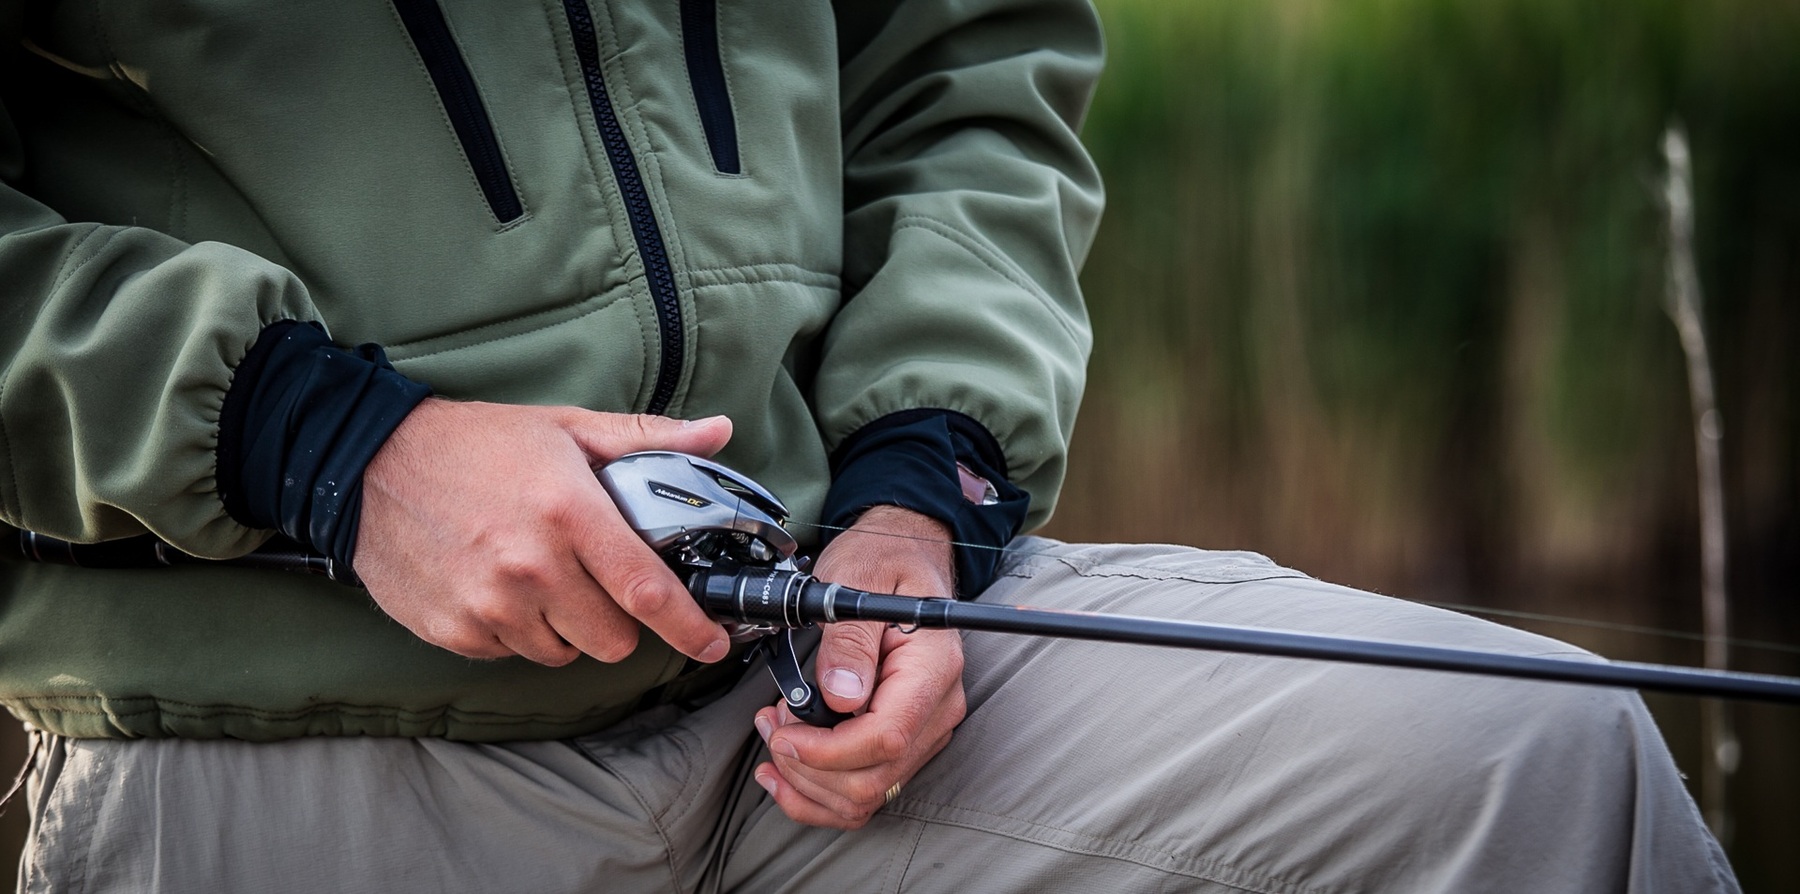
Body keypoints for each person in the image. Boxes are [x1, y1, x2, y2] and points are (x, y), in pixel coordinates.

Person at [0, 1, 1737, 891]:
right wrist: (327, 444)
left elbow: (971, 68)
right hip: (261, 741)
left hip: (816, 691)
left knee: (1547, 773)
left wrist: (919, 496)